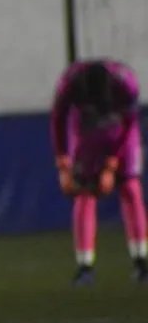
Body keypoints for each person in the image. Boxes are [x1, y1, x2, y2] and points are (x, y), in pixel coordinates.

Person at [51, 58, 148, 286]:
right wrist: (63, 165)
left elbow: (129, 124)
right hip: (86, 130)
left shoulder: (126, 84)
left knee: (131, 189)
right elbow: (58, 119)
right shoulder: (69, 84)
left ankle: (141, 261)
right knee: (84, 193)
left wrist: (111, 166)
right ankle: (85, 266)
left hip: (120, 133)